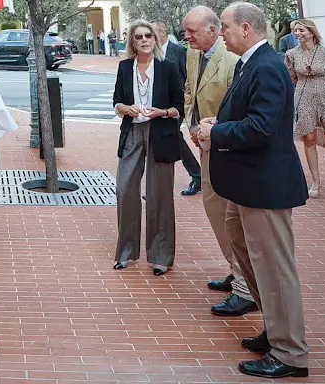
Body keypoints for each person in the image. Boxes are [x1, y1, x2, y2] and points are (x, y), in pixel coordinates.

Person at [198, 2, 309, 378]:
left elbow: (261, 128)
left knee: (275, 270)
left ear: (246, 28)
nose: (221, 33)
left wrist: (216, 132)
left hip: (266, 187)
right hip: (247, 186)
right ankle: (277, 330)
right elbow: (248, 115)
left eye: (225, 27)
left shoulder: (267, 66)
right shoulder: (251, 63)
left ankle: (290, 352)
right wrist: (220, 121)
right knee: (246, 255)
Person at [183, 6, 257, 317]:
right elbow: (190, 90)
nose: (186, 37)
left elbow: (240, 110)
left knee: (232, 217)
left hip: (227, 148)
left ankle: (244, 287)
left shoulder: (233, 59)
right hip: (206, 144)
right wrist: (192, 126)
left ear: (214, 30)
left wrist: (214, 134)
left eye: (193, 32)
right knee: (215, 212)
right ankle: (234, 269)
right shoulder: (193, 52)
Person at [112, 19, 185, 276]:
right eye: (139, 37)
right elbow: (117, 102)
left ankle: (161, 257)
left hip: (160, 133)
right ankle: (126, 253)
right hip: (132, 131)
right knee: (124, 189)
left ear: (155, 40)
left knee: (160, 195)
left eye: (148, 36)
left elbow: (179, 108)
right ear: (132, 42)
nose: (144, 40)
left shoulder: (168, 68)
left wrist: (162, 112)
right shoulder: (124, 68)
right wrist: (125, 109)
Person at [285, 19, 325, 200]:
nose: (297, 34)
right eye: (295, 31)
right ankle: (316, 181)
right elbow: (292, 76)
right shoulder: (291, 54)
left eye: (301, 30)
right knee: (309, 137)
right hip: (304, 93)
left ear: (311, 32)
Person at [151, 20, 202, 196]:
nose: (149, 38)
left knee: (171, 135)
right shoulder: (151, 53)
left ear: (162, 34)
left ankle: (196, 176)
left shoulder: (179, 51)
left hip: (177, 104)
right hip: (157, 106)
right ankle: (194, 176)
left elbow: (189, 78)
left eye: (152, 33)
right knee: (169, 138)